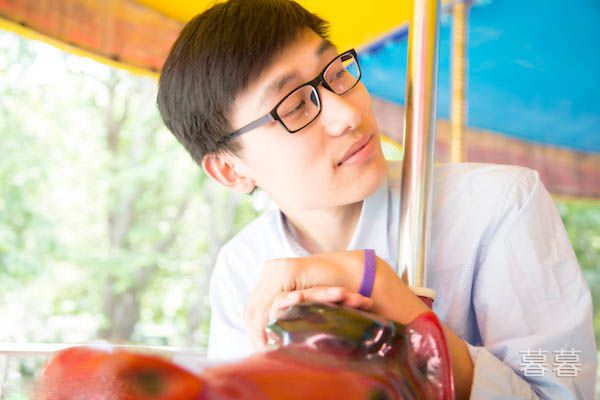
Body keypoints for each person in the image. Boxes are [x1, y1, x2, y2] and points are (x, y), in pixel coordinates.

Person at [156, 0, 597, 398]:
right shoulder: (242, 268)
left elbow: (564, 385)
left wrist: (388, 295)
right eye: (295, 107)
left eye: (337, 73)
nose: (348, 114)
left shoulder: (498, 206)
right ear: (230, 170)